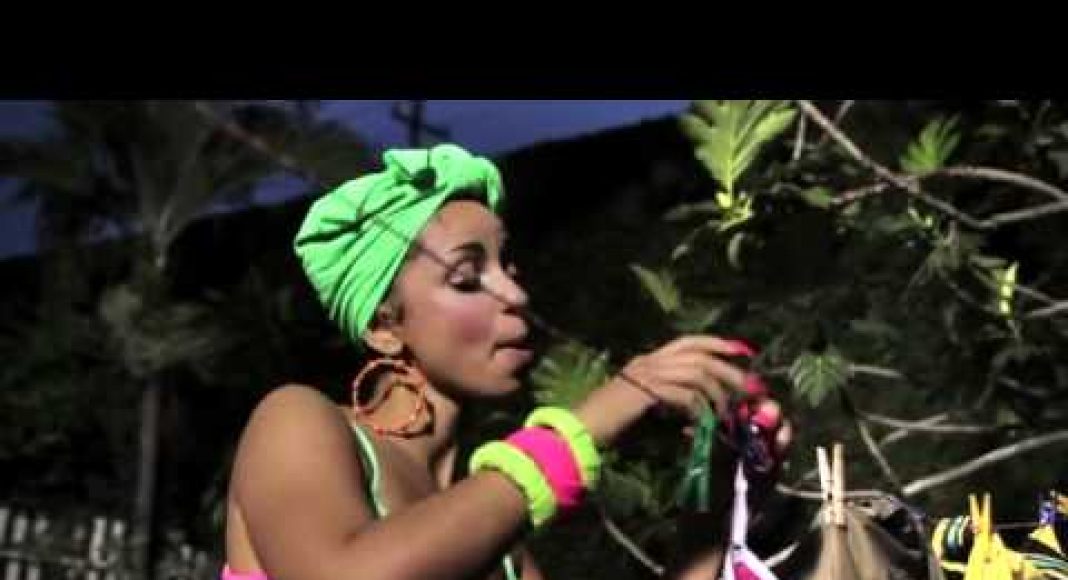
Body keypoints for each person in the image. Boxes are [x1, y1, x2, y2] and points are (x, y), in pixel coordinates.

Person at [222, 143, 793, 579]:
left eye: (509, 266)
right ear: (383, 326)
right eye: (467, 278)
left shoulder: (500, 549)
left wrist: (716, 501)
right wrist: (589, 423)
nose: (516, 294)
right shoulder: (297, 421)